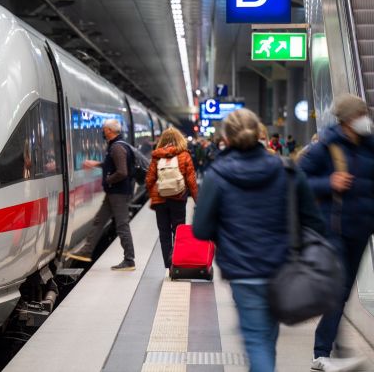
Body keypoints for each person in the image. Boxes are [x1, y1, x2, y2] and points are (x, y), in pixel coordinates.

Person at [193, 109, 324, 372]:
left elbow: (201, 230)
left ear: (226, 140)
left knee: (257, 340)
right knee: (266, 338)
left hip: (243, 272)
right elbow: (313, 220)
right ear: (259, 133)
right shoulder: (287, 170)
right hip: (283, 268)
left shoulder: (216, 175)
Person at [298, 94, 374, 371]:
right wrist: (327, 182)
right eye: (360, 115)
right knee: (339, 289)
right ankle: (322, 352)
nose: (365, 119)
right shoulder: (327, 147)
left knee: (341, 293)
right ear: (347, 121)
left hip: (361, 230)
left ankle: (334, 349)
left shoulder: (370, 146)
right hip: (335, 229)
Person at [66, 119, 136, 271]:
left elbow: (122, 171)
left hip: (118, 193)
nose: (102, 132)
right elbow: (113, 164)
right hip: (113, 193)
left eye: (104, 129)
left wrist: (108, 180)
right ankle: (87, 251)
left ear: (110, 131)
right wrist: (96, 164)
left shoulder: (117, 147)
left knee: (122, 225)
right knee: (99, 221)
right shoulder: (116, 146)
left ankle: (129, 260)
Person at [145, 127, 197, 269]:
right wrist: (197, 200)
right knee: (179, 231)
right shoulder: (184, 155)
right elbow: (191, 181)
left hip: (160, 200)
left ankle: (168, 265)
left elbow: (149, 180)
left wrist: (155, 191)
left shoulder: (156, 156)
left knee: (164, 233)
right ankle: (177, 262)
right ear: (180, 139)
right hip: (178, 198)